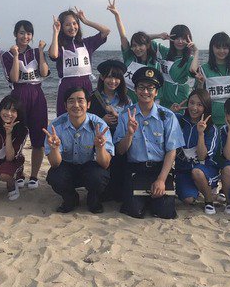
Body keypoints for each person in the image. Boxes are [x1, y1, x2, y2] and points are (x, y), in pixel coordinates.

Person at [114, 67, 185, 219]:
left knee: (165, 213)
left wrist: (161, 180)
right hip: (136, 170)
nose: (145, 92)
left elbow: (171, 151)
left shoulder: (167, 116)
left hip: (160, 169)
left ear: (156, 92)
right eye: (141, 87)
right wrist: (129, 134)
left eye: (150, 88)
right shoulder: (126, 115)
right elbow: (120, 150)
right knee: (134, 211)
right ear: (135, 90)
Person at [43, 87, 113, 213]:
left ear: (88, 104)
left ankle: (93, 198)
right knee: (55, 177)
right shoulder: (56, 126)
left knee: (100, 177)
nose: (76, 105)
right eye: (71, 101)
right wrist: (55, 148)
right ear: (65, 106)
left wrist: (100, 147)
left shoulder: (99, 125)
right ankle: (71, 198)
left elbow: (105, 164)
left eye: (81, 100)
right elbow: (55, 164)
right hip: (67, 166)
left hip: (90, 167)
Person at [0, 20, 49, 190]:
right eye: (21, 32)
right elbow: (14, 78)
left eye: (28, 33)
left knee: (38, 138)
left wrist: (41, 52)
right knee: (17, 137)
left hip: (37, 96)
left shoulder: (36, 52)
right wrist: (15, 56)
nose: (25, 36)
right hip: (18, 96)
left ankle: (34, 176)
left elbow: (44, 73)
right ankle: (18, 173)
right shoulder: (7, 55)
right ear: (15, 34)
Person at [49, 8, 110, 116]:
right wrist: (56, 32)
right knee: (65, 117)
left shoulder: (87, 43)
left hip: (85, 85)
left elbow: (106, 31)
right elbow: (53, 55)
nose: (72, 27)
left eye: (74, 23)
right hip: (67, 86)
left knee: (86, 117)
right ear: (62, 27)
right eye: (67, 25)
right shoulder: (59, 46)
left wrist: (85, 21)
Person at [88, 59, 131, 202]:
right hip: (100, 142)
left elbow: (130, 123)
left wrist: (118, 117)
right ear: (102, 77)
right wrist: (102, 121)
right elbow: (84, 122)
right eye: (109, 77)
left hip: (119, 141)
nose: (113, 81)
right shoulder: (92, 97)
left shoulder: (126, 100)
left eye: (117, 77)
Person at [174, 89, 220, 214]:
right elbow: (159, 123)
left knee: (197, 172)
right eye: (192, 103)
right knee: (188, 199)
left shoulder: (211, 128)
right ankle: (196, 189)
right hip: (183, 170)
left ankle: (209, 200)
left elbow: (202, 157)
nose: (194, 108)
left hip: (204, 169)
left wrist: (200, 134)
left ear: (206, 107)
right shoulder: (179, 120)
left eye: (199, 105)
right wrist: (171, 112)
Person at [106, 0, 158, 102]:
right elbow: (123, 36)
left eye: (140, 45)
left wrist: (159, 35)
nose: (137, 48)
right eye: (134, 45)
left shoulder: (154, 64)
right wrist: (117, 15)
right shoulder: (129, 57)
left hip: (145, 102)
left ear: (147, 45)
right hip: (126, 102)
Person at [194, 32, 230, 127]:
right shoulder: (203, 69)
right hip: (211, 120)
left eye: (225, 48)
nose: (221, 51)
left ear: (229, 49)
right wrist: (200, 83)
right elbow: (199, 96)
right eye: (218, 47)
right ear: (212, 48)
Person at [148, 25, 199, 109]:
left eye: (183, 39)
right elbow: (143, 39)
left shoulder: (189, 59)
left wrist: (196, 51)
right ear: (172, 39)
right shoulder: (164, 52)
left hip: (179, 100)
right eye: (177, 38)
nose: (180, 41)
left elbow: (193, 70)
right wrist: (159, 36)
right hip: (163, 97)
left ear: (189, 40)